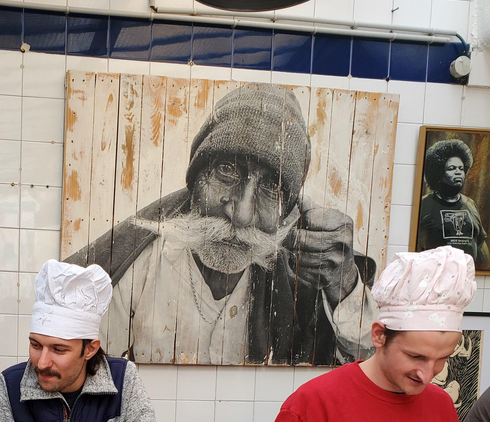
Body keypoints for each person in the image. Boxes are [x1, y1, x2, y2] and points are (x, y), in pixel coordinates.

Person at [67, 82, 376, 365]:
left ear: (289, 210)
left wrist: (345, 284)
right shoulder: (138, 265)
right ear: (195, 179)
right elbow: (85, 368)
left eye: (272, 188)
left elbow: (369, 358)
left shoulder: (305, 272)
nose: (240, 213)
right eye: (226, 170)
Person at [276, 245, 475, 422]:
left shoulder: (441, 406)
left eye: (442, 358)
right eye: (416, 356)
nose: (427, 375)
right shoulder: (313, 404)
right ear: (379, 335)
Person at [0, 259, 155, 422]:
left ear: (90, 349)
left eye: (58, 349)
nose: (42, 363)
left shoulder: (122, 379)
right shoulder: (11, 385)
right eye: (35, 345)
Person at [417, 139, 489, 268]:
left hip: (466, 279)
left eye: (461, 168)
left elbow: (480, 245)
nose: (458, 172)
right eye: (451, 168)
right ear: (439, 174)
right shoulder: (425, 205)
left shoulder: (470, 204)